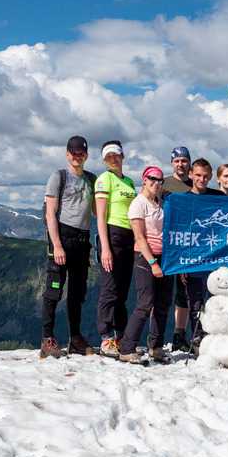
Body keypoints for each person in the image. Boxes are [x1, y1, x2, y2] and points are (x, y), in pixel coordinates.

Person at [40, 135, 96, 358]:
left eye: (81, 153)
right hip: (62, 236)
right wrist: (57, 245)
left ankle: (75, 338)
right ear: (67, 154)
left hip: (82, 240)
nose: (77, 156)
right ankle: (47, 339)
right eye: (74, 153)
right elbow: (50, 213)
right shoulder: (58, 177)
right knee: (54, 290)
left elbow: (96, 211)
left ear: (86, 155)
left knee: (77, 293)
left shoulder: (92, 179)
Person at [119, 166, 173, 365]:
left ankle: (156, 347)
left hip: (165, 257)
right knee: (145, 303)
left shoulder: (161, 202)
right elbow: (140, 238)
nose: (156, 183)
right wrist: (152, 263)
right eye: (152, 179)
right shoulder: (138, 204)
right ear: (144, 179)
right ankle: (126, 348)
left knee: (163, 303)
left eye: (160, 180)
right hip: (145, 258)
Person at [94, 141, 137, 358]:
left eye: (116, 155)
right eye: (109, 156)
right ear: (104, 159)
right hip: (111, 234)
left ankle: (121, 335)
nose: (113, 159)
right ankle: (105, 337)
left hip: (129, 236)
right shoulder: (104, 179)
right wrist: (105, 248)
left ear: (122, 156)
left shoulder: (129, 181)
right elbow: (100, 216)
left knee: (122, 290)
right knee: (109, 289)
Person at [182, 158, 225, 354]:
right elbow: (178, 234)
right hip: (192, 261)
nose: (202, 179)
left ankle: (216, 339)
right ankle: (198, 340)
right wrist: (181, 265)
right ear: (190, 174)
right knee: (196, 302)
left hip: (216, 260)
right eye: (198, 175)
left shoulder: (218, 196)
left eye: (206, 176)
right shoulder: (181, 200)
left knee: (216, 302)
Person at [163, 146, 193, 352]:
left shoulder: (195, 184)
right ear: (172, 163)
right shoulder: (163, 183)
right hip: (165, 243)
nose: (181, 164)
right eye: (177, 161)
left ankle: (179, 333)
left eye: (184, 160)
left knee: (184, 292)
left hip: (190, 244)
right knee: (161, 293)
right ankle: (155, 336)